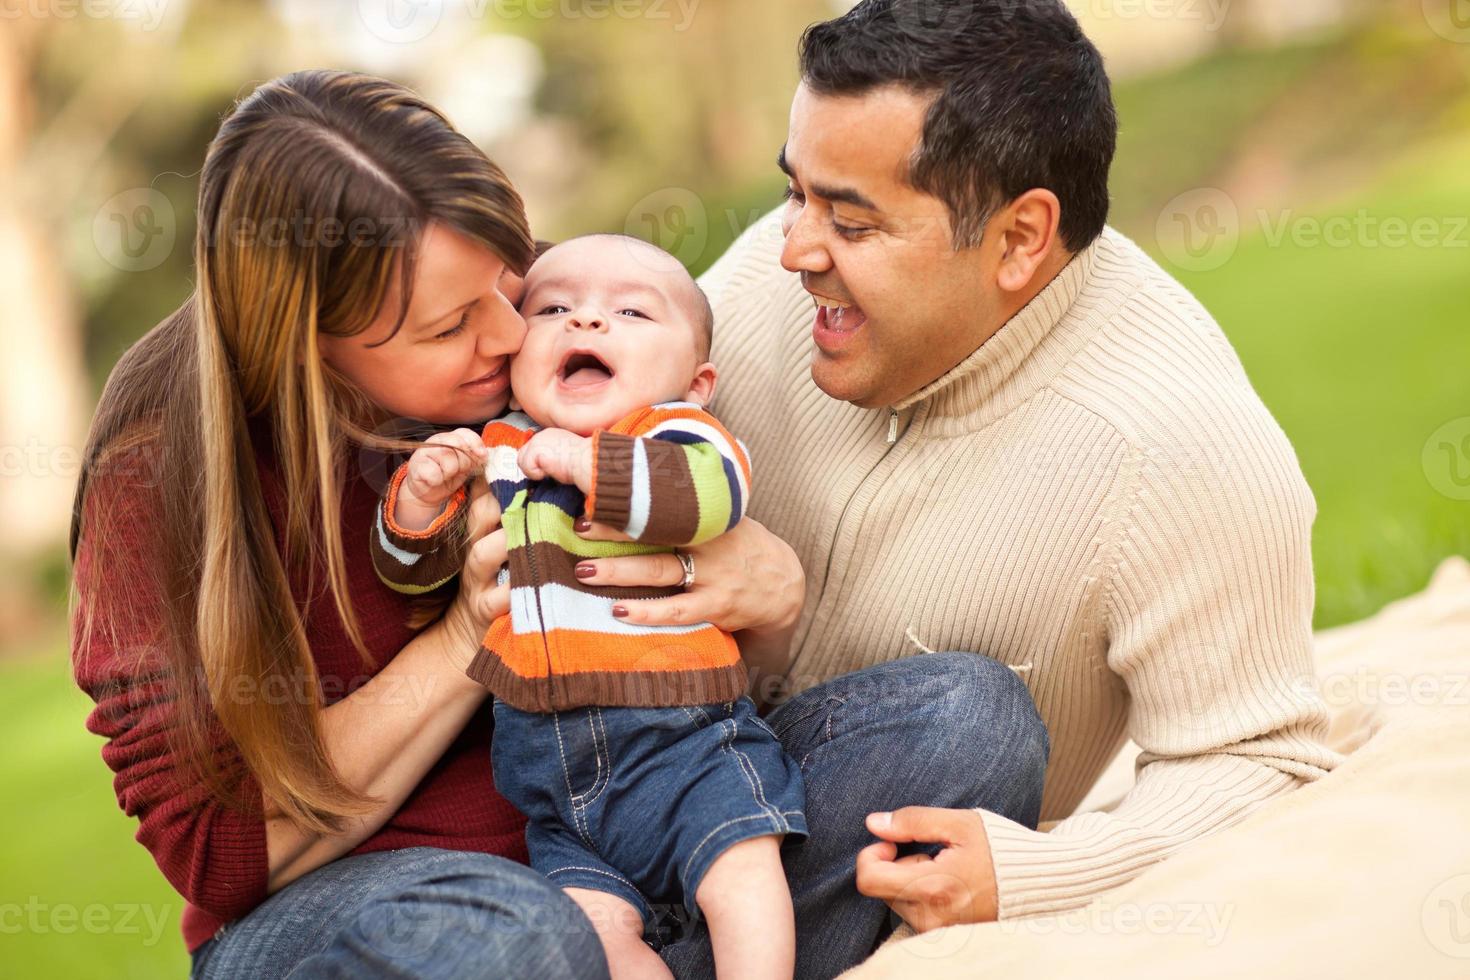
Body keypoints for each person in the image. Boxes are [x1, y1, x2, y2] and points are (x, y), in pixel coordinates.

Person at [68, 68, 1049, 980]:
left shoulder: (550, 326)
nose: (510, 334)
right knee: (515, 935)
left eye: (511, 286)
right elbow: (222, 854)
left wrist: (769, 588)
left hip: (648, 822)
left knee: (965, 719)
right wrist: (466, 629)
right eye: (452, 326)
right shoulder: (158, 472)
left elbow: (682, 572)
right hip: (394, 910)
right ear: (307, 349)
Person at [628, 0, 1340, 953]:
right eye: (795, 193)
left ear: (1018, 239)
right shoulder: (769, 273)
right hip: (621, 771)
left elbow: (1260, 756)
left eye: (850, 219)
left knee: (969, 718)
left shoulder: (1175, 447)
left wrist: (1044, 869)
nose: (794, 247)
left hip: (816, 838)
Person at [372, 234, 806, 979]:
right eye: (554, 308)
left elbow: (709, 498)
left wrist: (588, 463)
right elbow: (414, 579)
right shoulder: (496, 449)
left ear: (696, 381)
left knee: (742, 873)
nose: (587, 323)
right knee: (591, 940)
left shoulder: (678, 434)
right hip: (553, 792)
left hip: (685, 748)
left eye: (633, 312)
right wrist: (417, 505)